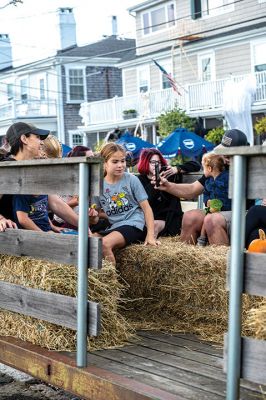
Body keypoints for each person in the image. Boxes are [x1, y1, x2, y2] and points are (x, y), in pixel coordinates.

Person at [153, 129, 249, 245]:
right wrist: (168, 186)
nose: (225, 155)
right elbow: (193, 189)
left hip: (241, 213)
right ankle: (185, 261)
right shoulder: (217, 167)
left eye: (229, 153)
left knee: (212, 219)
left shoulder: (250, 166)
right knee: (190, 217)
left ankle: (221, 262)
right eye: (224, 151)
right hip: (215, 210)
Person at [0, 122, 81, 231]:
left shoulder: (33, 168)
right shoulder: (6, 169)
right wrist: (1, 219)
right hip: (10, 238)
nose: (42, 143)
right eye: (38, 137)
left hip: (28, 237)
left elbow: (56, 203)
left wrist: (83, 226)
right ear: (24, 139)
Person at [93, 143, 159, 264]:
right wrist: (92, 215)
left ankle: (112, 281)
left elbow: (147, 208)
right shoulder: (98, 185)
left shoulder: (131, 180)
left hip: (134, 224)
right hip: (115, 227)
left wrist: (150, 235)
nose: (120, 165)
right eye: (115, 162)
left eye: (122, 161)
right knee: (89, 242)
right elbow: (95, 218)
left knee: (104, 244)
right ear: (104, 163)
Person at [137, 148, 200, 238]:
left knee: (154, 226)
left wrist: (178, 169)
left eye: (158, 162)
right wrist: (156, 180)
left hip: (171, 218)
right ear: (145, 162)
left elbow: (196, 165)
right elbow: (147, 200)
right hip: (151, 217)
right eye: (153, 162)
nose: (156, 165)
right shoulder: (140, 180)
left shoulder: (167, 173)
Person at [196, 153, 231, 246]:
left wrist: (222, 205)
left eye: (203, 168)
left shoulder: (227, 178)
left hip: (226, 208)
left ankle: (202, 239)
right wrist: (207, 201)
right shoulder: (208, 181)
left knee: (209, 216)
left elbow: (231, 195)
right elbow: (206, 193)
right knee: (208, 214)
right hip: (213, 208)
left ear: (209, 168)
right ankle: (202, 238)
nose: (203, 171)